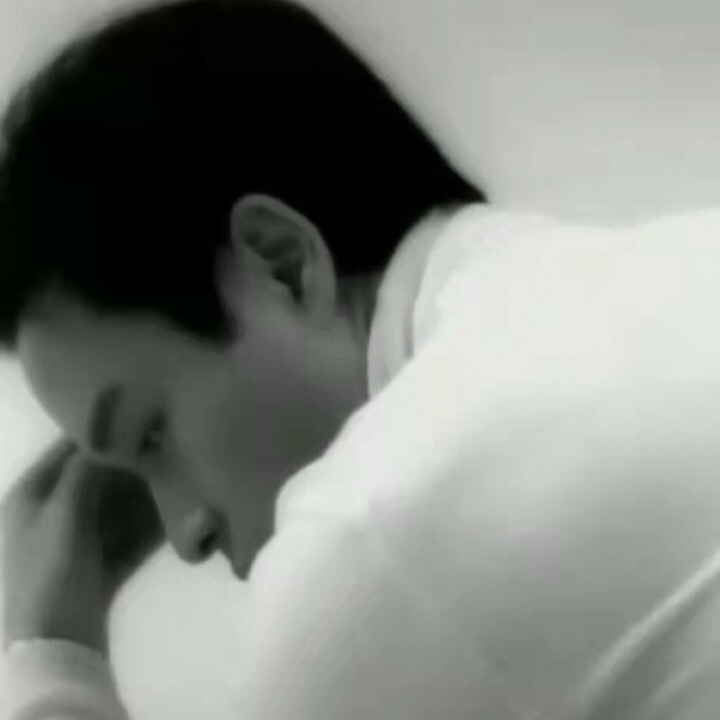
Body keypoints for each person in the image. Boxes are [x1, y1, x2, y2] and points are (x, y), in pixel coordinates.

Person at [4, 0, 720, 718]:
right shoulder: (673, 271)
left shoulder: (389, 522)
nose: (187, 535)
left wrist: (47, 653)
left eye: (151, 433)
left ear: (282, 263)